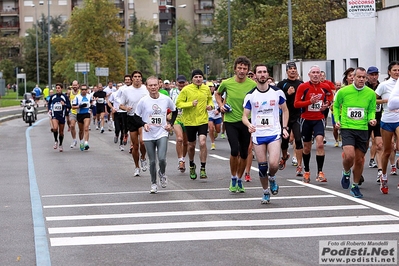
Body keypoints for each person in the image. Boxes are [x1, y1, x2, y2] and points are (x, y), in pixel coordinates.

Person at [242, 64, 289, 203]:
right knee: (262, 167)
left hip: (274, 132)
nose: (262, 74)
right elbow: (244, 115)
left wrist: (285, 127)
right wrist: (249, 124)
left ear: (267, 74)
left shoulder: (277, 92)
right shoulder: (251, 95)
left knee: (273, 164)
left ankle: (272, 178)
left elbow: (285, 110)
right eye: (259, 72)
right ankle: (265, 191)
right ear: (255, 76)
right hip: (258, 134)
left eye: (264, 72)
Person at [215, 56, 257, 192]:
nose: (242, 71)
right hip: (231, 120)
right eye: (239, 68)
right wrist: (221, 105)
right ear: (235, 69)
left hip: (246, 121)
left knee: (244, 153)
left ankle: (240, 179)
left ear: (248, 70)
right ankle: (233, 178)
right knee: (234, 150)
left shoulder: (252, 85)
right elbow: (217, 94)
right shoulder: (227, 83)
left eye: (245, 68)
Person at [333, 67, 376, 198]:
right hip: (347, 128)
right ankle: (346, 172)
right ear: (353, 77)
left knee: (360, 160)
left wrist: (371, 119)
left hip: (362, 129)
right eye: (359, 77)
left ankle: (355, 185)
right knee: (349, 155)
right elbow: (335, 105)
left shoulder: (370, 94)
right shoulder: (343, 91)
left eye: (364, 77)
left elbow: (371, 110)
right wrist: (337, 120)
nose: (361, 79)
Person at [135, 76, 178, 193]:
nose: (153, 87)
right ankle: (153, 183)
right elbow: (136, 117)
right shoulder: (143, 101)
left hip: (162, 132)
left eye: (155, 85)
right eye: (150, 85)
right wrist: (144, 124)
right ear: (147, 86)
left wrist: (171, 124)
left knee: (162, 159)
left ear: (159, 85)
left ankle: (162, 173)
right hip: (148, 134)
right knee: (152, 161)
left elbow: (175, 111)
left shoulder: (165, 99)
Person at [294, 65, 334, 183]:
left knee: (320, 144)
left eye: (318, 73)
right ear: (309, 74)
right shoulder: (303, 87)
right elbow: (296, 104)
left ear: (320, 75)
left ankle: (320, 172)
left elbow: (330, 97)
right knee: (306, 147)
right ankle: (306, 171)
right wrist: (309, 102)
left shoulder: (325, 87)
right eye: (313, 73)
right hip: (306, 119)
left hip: (319, 119)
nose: (316, 75)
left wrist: (326, 104)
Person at [176, 69, 214, 180]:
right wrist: (190, 104)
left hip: (202, 120)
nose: (198, 79)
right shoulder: (186, 89)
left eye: (200, 77)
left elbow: (210, 100)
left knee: (202, 142)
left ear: (203, 78)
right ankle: (192, 164)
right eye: (196, 77)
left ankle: (203, 167)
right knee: (191, 145)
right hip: (189, 121)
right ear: (192, 79)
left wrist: (210, 106)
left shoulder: (206, 89)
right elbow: (178, 103)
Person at [374, 61, 399, 194]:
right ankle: (383, 176)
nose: (397, 72)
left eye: (398, 70)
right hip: (387, 120)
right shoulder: (383, 85)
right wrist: (384, 101)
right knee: (387, 151)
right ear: (389, 72)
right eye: (394, 70)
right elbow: (372, 99)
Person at [277, 61, 304, 177]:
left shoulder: (301, 84)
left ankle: (299, 166)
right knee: (284, 141)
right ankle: (284, 157)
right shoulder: (281, 84)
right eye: (290, 69)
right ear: (287, 71)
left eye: (294, 68)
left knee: (298, 139)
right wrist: (287, 94)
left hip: (298, 115)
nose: (292, 70)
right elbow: (277, 100)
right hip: (285, 116)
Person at [119, 72, 149, 176]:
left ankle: (143, 158)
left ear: (141, 78)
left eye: (139, 77)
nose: (137, 79)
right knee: (135, 146)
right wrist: (126, 108)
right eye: (135, 77)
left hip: (142, 118)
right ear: (132, 79)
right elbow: (121, 105)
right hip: (131, 118)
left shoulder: (146, 89)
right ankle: (137, 166)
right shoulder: (126, 91)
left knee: (143, 142)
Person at [365, 66, 383, 182]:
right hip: (365, 120)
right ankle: (358, 170)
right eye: (372, 75)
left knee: (379, 145)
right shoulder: (364, 87)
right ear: (368, 76)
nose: (374, 77)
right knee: (363, 146)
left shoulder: (382, 86)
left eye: (376, 74)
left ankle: (380, 172)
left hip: (378, 118)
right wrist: (384, 101)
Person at [170, 75, 189, 172]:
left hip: (187, 118)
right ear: (176, 83)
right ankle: (180, 160)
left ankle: (183, 158)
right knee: (180, 139)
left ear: (186, 82)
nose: (181, 84)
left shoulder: (189, 91)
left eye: (183, 82)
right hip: (176, 117)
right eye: (179, 82)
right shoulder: (172, 92)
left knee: (186, 142)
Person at [48, 83, 71, 152]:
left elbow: (69, 106)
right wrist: (49, 109)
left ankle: (60, 144)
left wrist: (64, 105)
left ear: (61, 89)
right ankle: (56, 141)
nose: (57, 89)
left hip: (62, 116)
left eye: (59, 88)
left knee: (61, 132)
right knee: (55, 128)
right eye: (56, 88)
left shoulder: (64, 97)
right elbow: (49, 103)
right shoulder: (53, 97)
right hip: (55, 115)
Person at [71, 84, 92, 151]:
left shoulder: (89, 96)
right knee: (81, 130)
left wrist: (92, 106)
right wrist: (80, 106)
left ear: (87, 90)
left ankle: (86, 143)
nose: (84, 91)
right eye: (82, 89)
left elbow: (92, 103)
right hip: (80, 114)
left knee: (86, 128)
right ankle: (81, 141)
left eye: (85, 89)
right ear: (80, 90)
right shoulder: (77, 97)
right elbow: (73, 107)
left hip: (87, 113)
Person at [108, 82, 127, 151]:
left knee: (123, 129)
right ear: (116, 87)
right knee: (117, 128)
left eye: (121, 86)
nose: (120, 88)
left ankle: (121, 144)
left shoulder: (125, 94)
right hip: (117, 112)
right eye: (118, 86)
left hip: (124, 113)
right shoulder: (114, 94)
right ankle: (116, 134)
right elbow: (109, 102)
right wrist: (112, 108)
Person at [207, 81, 222, 150]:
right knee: (211, 128)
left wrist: (218, 110)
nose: (210, 88)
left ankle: (216, 133)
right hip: (209, 114)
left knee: (218, 130)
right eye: (208, 87)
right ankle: (213, 143)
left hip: (217, 114)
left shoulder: (217, 94)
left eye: (211, 87)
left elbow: (222, 103)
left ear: (214, 87)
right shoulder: (204, 94)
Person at [68, 80, 80, 148]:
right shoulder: (70, 92)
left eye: (75, 85)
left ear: (78, 85)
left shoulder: (81, 92)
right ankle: (74, 140)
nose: (74, 86)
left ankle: (82, 140)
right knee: (72, 126)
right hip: (73, 112)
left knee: (81, 129)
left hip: (80, 112)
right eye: (73, 85)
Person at [331, 81, 342, 147]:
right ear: (334, 86)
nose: (338, 87)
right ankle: (336, 141)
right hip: (334, 112)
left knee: (343, 127)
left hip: (342, 112)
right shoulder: (332, 93)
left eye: (339, 85)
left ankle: (343, 139)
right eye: (337, 85)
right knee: (335, 128)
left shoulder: (342, 92)